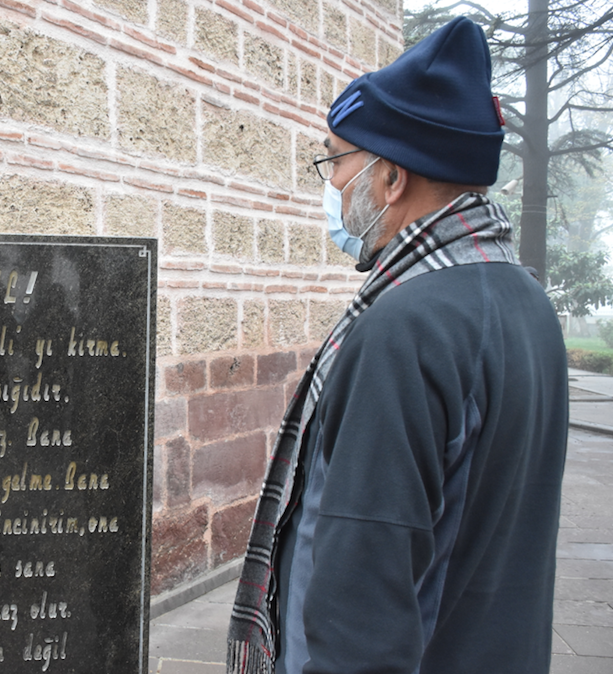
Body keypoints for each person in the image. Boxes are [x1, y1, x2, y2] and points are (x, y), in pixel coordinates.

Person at [227, 16, 569, 674]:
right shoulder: (528, 302)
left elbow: (358, 607)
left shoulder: (403, 329)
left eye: (336, 159)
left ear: (390, 180)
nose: (330, 185)